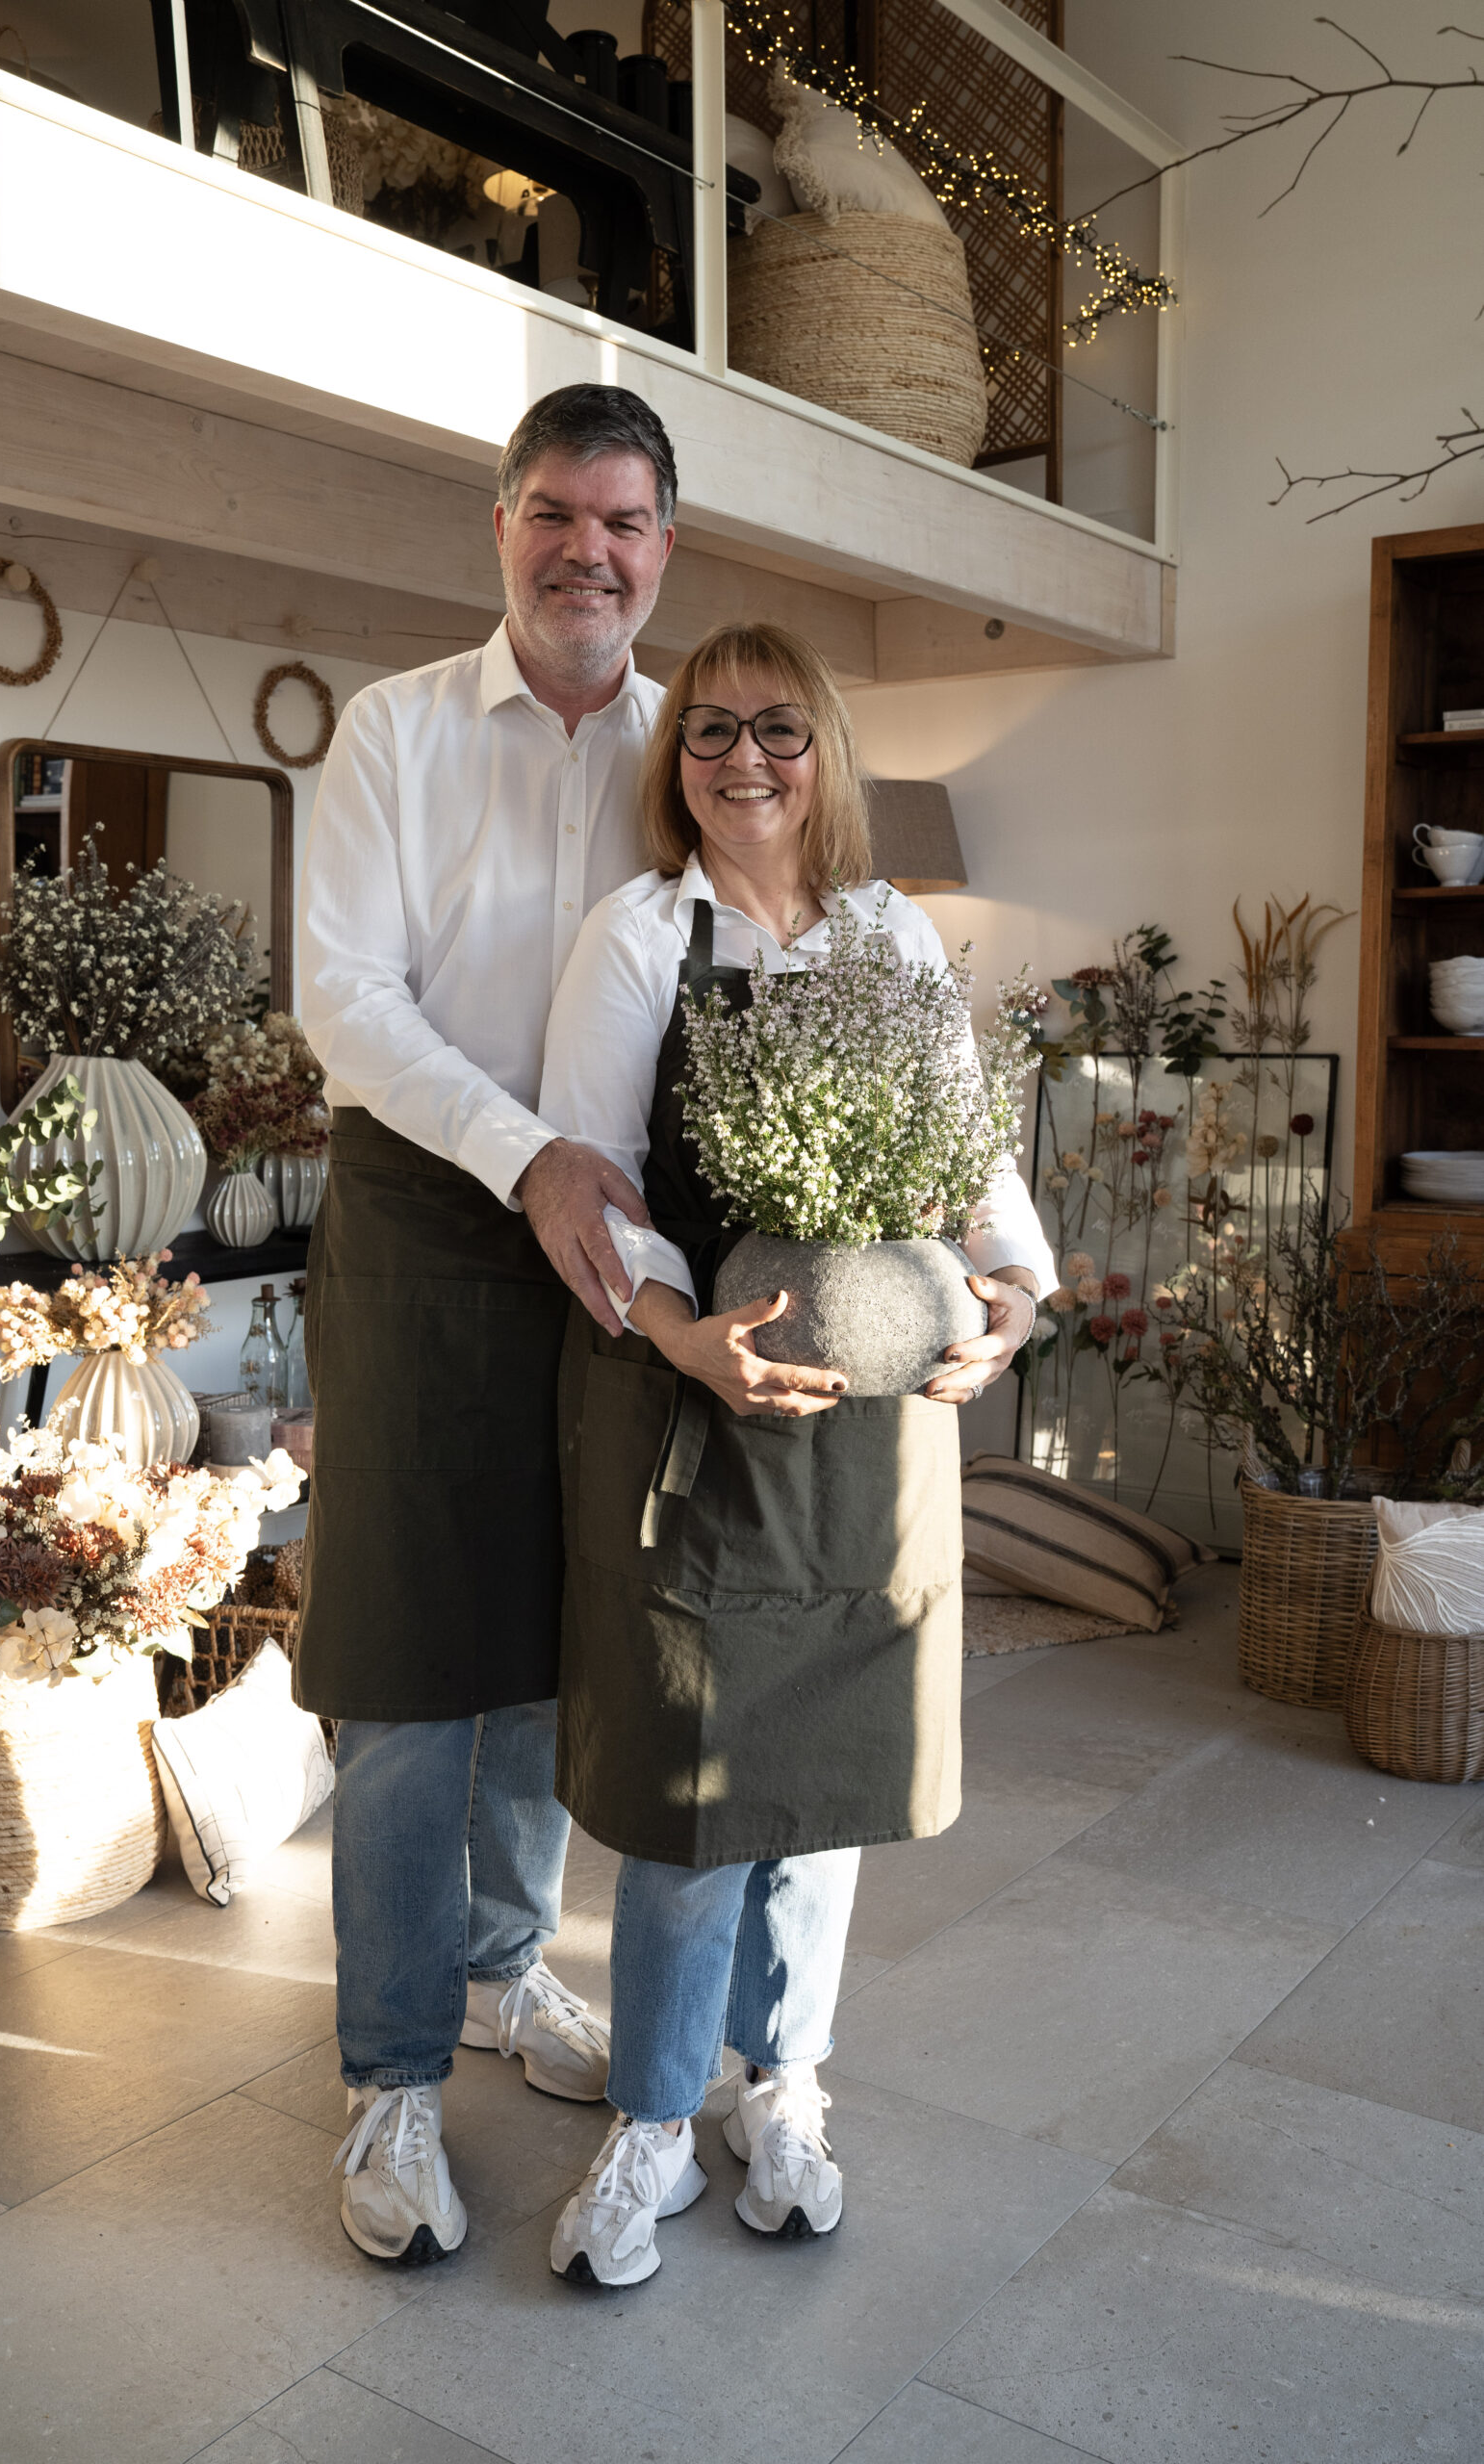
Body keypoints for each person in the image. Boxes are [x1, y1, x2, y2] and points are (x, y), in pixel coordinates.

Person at [294, 388, 830, 2268]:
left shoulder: (695, 748)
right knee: (405, 1664)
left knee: (560, 1631)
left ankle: (505, 1970)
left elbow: (779, 940)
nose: (585, 550)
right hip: (426, 1216)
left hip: (627, 1233)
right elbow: (344, 998)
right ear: (501, 523)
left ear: (662, 546)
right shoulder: (395, 731)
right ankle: (387, 2076)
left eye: (621, 521)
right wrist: (526, 1155)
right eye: (553, 513)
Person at [536, 621, 1057, 2286]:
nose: (743, 759)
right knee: (690, 1793)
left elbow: (973, 1163)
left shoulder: (892, 933)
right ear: (674, 760)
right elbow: (597, 1183)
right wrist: (683, 1334)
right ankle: (650, 2116)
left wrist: (1013, 1294)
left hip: (871, 1430)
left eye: (778, 728)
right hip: (696, 1408)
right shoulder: (637, 935)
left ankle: (785, 2090)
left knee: (822, 1787)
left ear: (825, 750)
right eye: (709, 731)